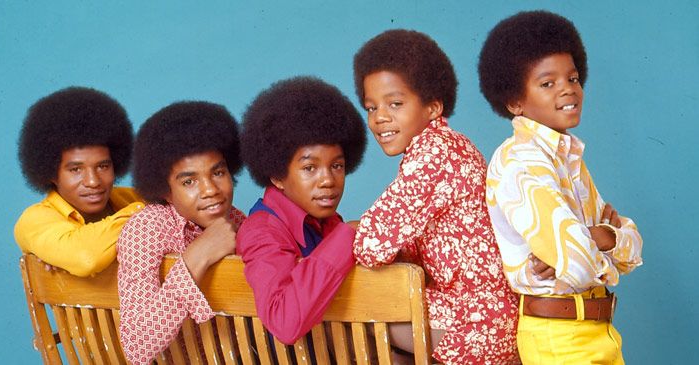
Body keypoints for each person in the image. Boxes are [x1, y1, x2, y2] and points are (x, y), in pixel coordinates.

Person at [478, 10, 643, 364]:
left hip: (599, 332)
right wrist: (601, 237)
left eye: (573, 78)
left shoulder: (569, 158)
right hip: (559, 338)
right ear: (514, 101)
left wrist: (598, 237)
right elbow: (580, 260)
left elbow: (630, 245)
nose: (568, 89)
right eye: (547, 83)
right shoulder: (519, 161)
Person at [351, 29, 520, 364]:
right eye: (371, 107)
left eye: (395, 103)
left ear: (433, 107)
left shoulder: (435, 154)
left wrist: (349, 231)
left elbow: (370, 245)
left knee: (353, 311)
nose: (379, 117)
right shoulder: (446, 145)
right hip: (484, 313)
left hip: (476, 320)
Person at [237, 76, 366, 345]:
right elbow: (283, 321)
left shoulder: (327, 222)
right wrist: (347, 235)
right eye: (310, 168)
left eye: (337, 166)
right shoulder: (262, 232)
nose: (328, 180)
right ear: (277, 175)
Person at [117, 101, 244, 364]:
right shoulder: (149, 227)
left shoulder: (237, 220)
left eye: (218, 172)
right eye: (189, 181)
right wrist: (197, 256)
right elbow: (137, 347)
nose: (210, 189)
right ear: (165, 190)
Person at [14, 86, 142, 277]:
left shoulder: (130, 198)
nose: (93, 181)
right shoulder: (34, 220)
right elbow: (87, 258)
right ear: (51, 173)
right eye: (76, 169)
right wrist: (146, 214)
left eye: (103, 166)